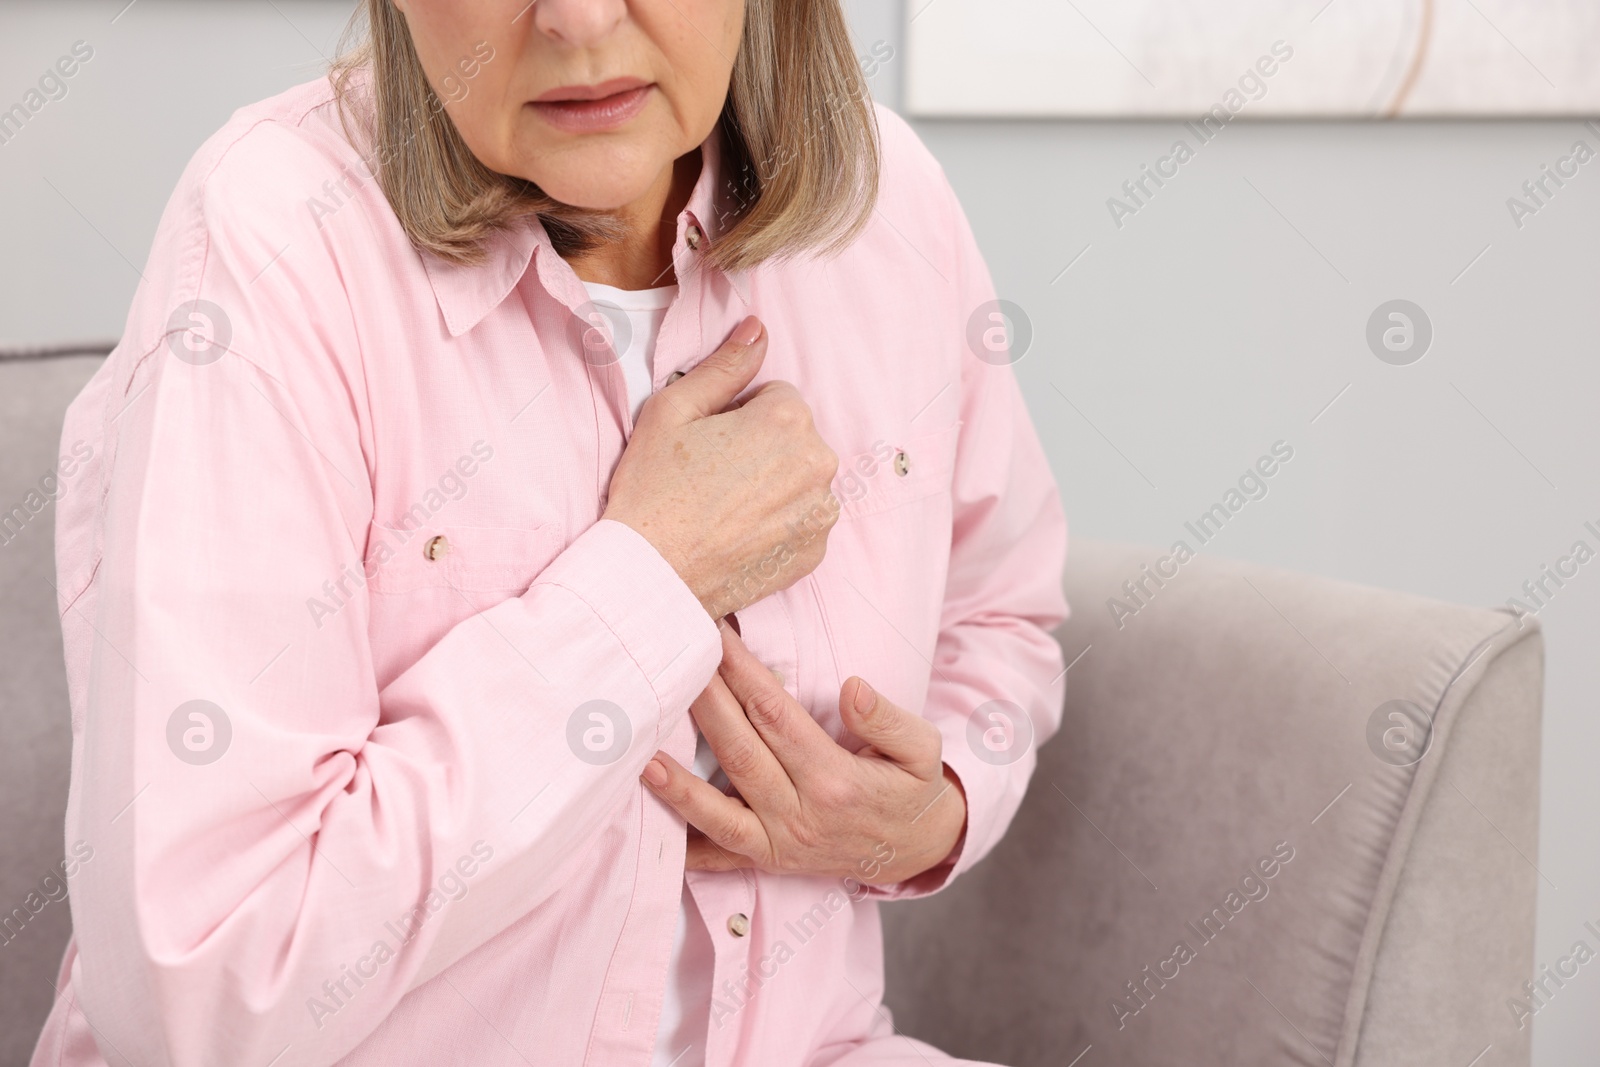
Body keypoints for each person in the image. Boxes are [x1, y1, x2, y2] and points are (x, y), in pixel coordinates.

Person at [31, 1, 1067, 1064]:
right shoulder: (271, 237)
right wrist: (647, 583)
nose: (576, 18)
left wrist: (927, 816)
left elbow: (1002, 610)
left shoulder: (888, 209)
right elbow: (196, 997)